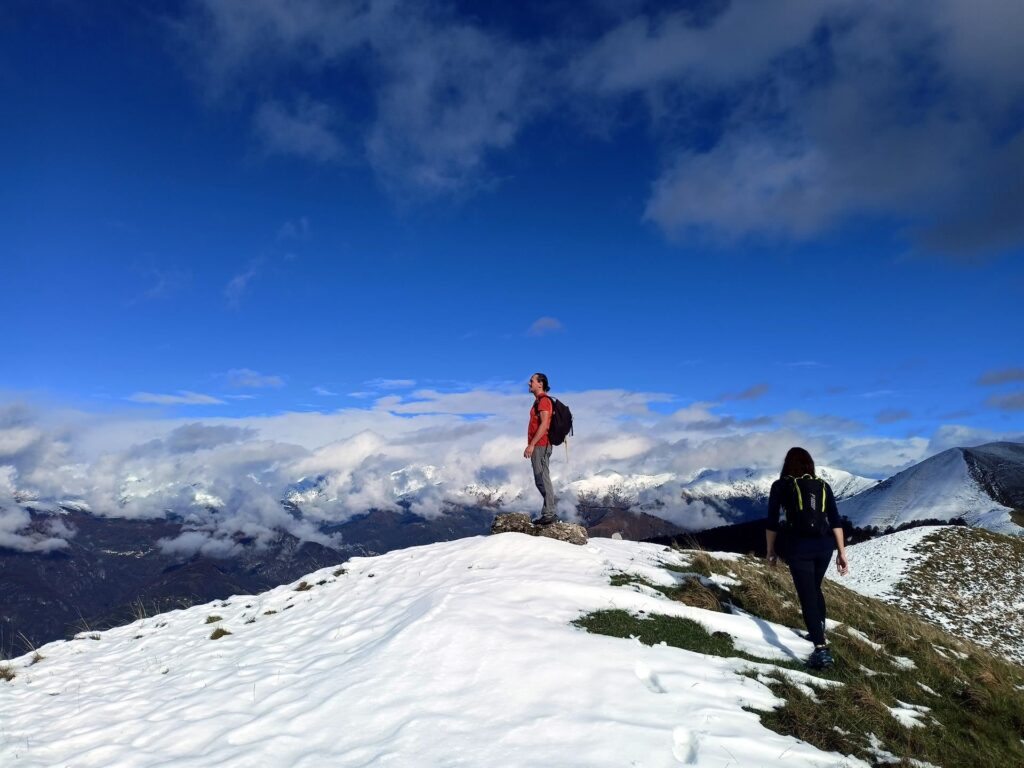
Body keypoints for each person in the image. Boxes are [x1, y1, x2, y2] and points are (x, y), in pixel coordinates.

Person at [765, 447, 849, 669]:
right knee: (815, 588)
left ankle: (821, 650)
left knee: (807, 596)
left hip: (798, 547)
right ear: (810, 465)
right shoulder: (822, 486)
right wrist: (841, 552)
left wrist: (770, 551)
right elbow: (835, 520)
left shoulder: (781, 485)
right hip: (824, 547)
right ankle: (817, 633)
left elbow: (772, 522)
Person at [524, 372, 557, 525]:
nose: (529, 383)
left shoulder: (543, 401)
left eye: (531, 381)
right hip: (540, 445)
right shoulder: (538, 401)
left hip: (541, 445)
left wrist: (531, 444)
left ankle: (549, 513)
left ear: (540, 384)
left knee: (543, 478)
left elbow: (544, 425)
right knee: (540, 479)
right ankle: (548, 511)